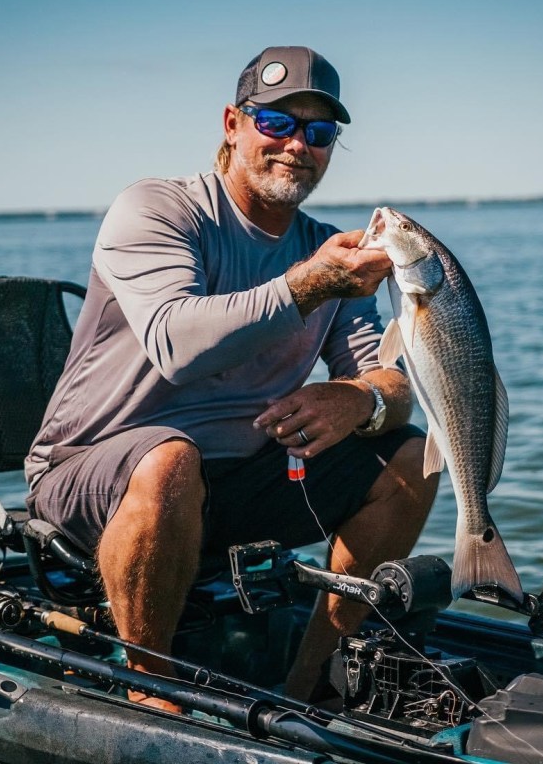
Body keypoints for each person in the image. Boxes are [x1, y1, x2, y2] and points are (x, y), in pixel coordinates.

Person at [25, 45, 439, 711]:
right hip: (90, 476)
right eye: (276, 123)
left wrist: (358, 399)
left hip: (233, 483)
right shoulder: (157, 209)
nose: (297, 145)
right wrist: (309, 286)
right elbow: (175, 344)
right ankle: (151, 690)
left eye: (319, 131)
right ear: (232, 123)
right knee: (168, 462)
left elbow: (392, 380)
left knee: (413, 457)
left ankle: (313, 685)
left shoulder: (328, 245)